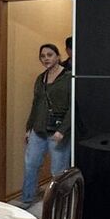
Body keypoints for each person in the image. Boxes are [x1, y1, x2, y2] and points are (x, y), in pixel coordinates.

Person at [21, 43, 72, 207]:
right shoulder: (40, 78)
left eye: (50, 55)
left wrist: (62, 130)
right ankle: (27, 199)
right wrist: (29, 128)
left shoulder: (68, 78)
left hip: (58, 131)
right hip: (38, 129)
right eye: (42, 56)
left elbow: (73, 107)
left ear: (58, 56)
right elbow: (35, 104)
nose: (46, 59)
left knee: (58, 171)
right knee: (31, 164)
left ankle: (59, 205)